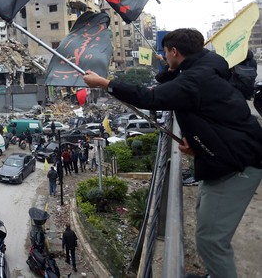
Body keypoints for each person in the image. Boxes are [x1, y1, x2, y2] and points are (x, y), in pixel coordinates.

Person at [83, 28, 262, 278]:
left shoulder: (193, 79)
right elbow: (206, 110)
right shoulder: (207, 66)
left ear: (175, 52)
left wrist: (105, 83)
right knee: (204, 223)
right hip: (228, 155)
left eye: (165, 53)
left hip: (237, 166)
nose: (164, 57)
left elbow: (150, 98)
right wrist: (198, 142)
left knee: (211, 241)